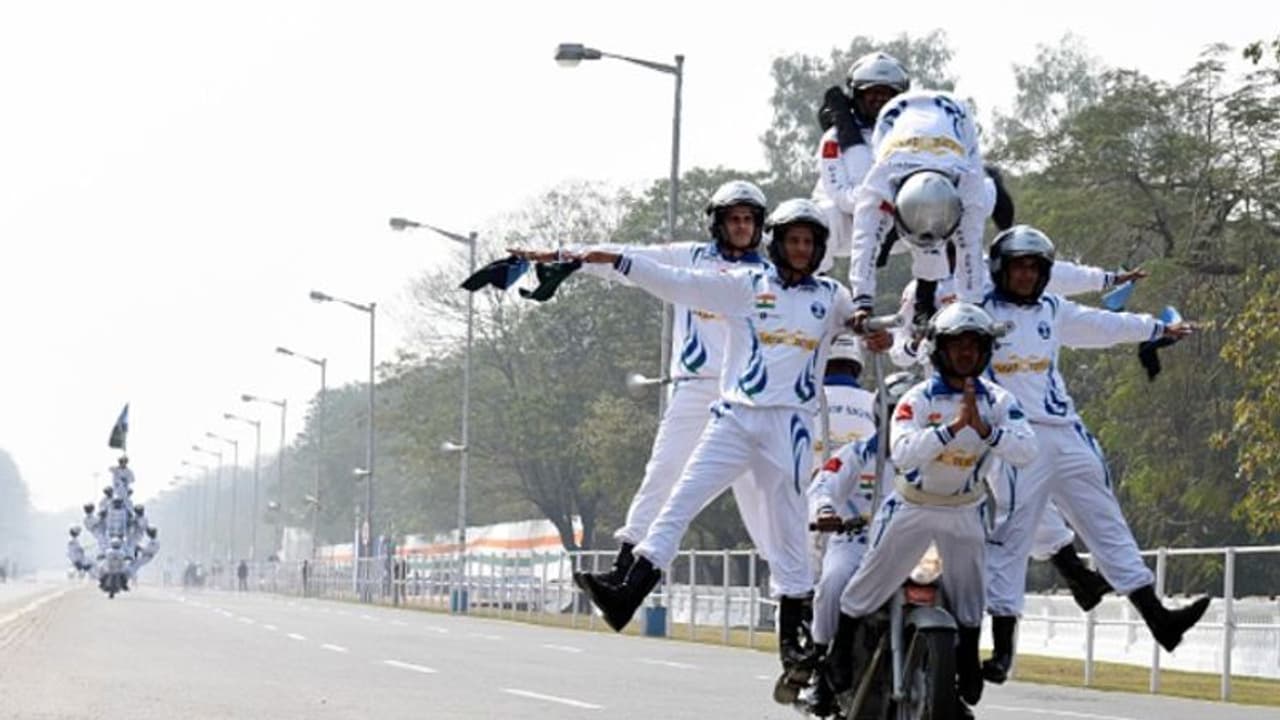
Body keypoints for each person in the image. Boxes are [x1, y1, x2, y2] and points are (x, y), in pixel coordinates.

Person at [533, 199, 856, 690]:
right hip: (735, 418)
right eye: (792, 240)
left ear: (818, 249)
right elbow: (675, 282)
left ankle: (794, 645)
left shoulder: (832, 296)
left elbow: (867, 326)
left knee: (788, 530)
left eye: (808, 242)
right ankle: (626, 594)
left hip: (790, 427)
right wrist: (608, 259)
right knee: (678, 500)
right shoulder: (745, 284)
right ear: (777, 243)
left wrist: (891, 331)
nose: (800, 249)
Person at [515, 180, 775, 593]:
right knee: (663, 472)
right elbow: (622, 257)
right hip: (695, 387)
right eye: (734, 219)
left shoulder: (771, 276)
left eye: (748, 219)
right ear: (718, 223)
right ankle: (623, 567)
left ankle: (797, 590)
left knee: (766, 498)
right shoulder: (690, 256)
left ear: (759, 225)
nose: (742, 226)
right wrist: (560, 255)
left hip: (748, 397)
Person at [977, 225, 1210, 682]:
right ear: (1001, 270)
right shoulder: (978, 311)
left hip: (1067, 433)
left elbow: (1104, 325)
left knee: (1108, 524)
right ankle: (1003, 651)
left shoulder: (1053, 308)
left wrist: (1157, 327)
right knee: (1012, 540)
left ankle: (1160, 620)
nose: (1026, 275)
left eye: (1034, 268)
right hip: (1015, 438)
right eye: (1018, 267)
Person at [827, 302, 1038, 718]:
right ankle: (839, 650)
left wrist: (985, 430)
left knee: (971, 595)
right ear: (939, 350)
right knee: (867, 584)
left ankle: (966, 663)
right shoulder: (918, 398)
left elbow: (1027, 450)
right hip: (913, 506)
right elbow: (904, 452)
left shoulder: (999, 400)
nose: (966, 353)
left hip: (965, 509)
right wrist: (953, 429)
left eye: (974, 345)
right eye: (957, 345)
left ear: (986, 351)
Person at [804, 369, 915, 716]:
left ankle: (951, 676)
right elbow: (824, 483)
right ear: (881, 414)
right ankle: (822, 666)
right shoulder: (856, 453)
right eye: (896, 413)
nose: (903, 423)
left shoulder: (934, 459)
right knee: (832, 582)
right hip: (856, 542)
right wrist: (825, 509)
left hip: (913, 548)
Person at [848, 89, 989, 328]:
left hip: (958, 116)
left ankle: (995, 182)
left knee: (985, 202)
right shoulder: (879, 183)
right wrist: (862, 301)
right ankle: (924, 301)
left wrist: (972, 306)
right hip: (892, 115)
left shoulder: (969, 185)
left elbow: (970, 247)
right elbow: (865, 240)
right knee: (875, 228)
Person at [812, 52, 911, 270]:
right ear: (857, 96)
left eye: (887, 94)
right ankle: (814, 280)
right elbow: (841, 196)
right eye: (873, 92)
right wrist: (878, 200)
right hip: (848, 226)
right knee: (826, 213)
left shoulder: (911, 137)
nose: (880, 99)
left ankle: (941, 286)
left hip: (900, 228)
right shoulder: (833, 138)